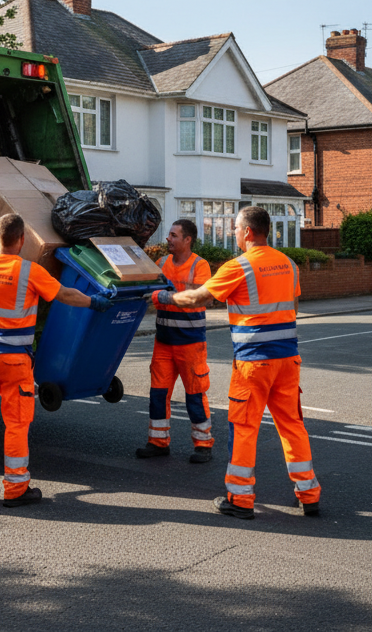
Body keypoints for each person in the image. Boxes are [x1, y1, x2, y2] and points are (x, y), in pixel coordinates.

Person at [155, 206, 320, 519]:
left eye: (234, 228)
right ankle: (309, 495)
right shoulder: (289, 263)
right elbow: (293, 307)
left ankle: (240, 499)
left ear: (247, 232)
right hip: (288, 359)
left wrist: (164, 298)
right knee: (292, 425)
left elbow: (198, 298)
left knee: (244, 427)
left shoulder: (239, 266)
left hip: (254, 362)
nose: (232, 233)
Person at [0, 213, 111, 507]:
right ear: (22, 240)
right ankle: (15, 489)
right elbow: (65, 295)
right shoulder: (30, 271)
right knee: (16, 424)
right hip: (13, 363)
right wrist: (94, 301)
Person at [136, 219, 215, 463]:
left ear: (187, 240)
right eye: (169, 234)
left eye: (173, 235)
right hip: (164, 341)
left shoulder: (200, 266)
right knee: (158, 393)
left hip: (190, 342)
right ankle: (158, 442)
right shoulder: (162, 263)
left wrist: (164, 297)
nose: (168, 239)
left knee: (195, 394)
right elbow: (151, 291)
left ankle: (203, 445)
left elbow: (202, 300)